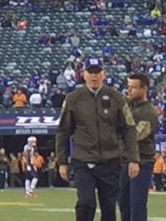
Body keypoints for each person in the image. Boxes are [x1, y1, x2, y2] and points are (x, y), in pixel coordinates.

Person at [55, 57, 139, 221]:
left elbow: (129, 129)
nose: (94, 76)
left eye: (97, 72)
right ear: (83, 75)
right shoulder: (73, 99)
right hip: (83, 161)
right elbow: (63, 131)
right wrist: (62, 161)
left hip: (110, 161)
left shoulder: (116, 98)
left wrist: (133, 159)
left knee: (109, 208)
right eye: (90, 72)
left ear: (104, 74)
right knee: (86, 203)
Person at [117, 73, 158, 221]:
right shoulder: (128, 105)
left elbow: (135, 137)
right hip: (124, 160)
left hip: (142, 161)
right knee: (123, 203)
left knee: (137, 204)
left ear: (144, 89)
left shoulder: (149, 113)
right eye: (128, 87)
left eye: (133, 88)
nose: (129, 91)